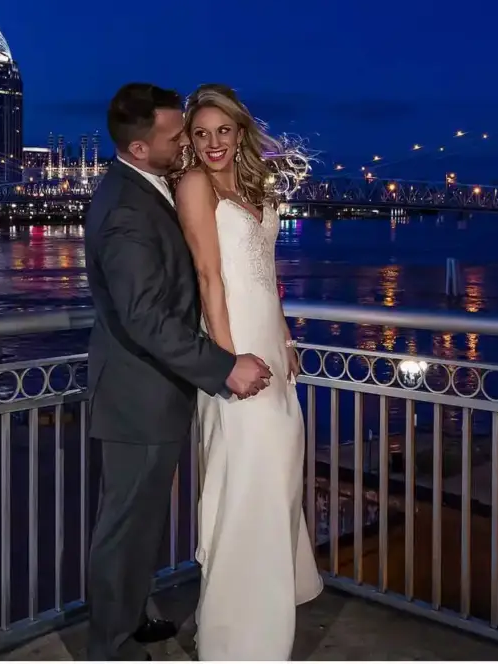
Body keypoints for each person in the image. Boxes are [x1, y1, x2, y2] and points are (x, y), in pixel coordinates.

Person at [83, 82, 274, 661]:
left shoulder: (145, 188)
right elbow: (144, 318)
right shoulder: (123, 209)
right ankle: (110, 645)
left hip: (155, 389)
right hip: (137, 393)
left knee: (140, 522)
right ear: (141, 148)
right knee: (122, 526)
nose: (185, 145)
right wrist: (223, 367)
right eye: (176, 136)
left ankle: (134, 614)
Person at [171, 84, 324, 660]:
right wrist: (229, 361)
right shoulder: (194, 185)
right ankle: (237, 640)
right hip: (235, 357)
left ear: (240, 134)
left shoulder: (257, 185)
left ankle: (266, 615)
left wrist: (283, 338)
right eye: (202, 133)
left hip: (270, 349)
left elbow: (268, 273)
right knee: (246, 486)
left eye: (223, 131)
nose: (212, 143)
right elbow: (210, 278)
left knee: (279, 476)